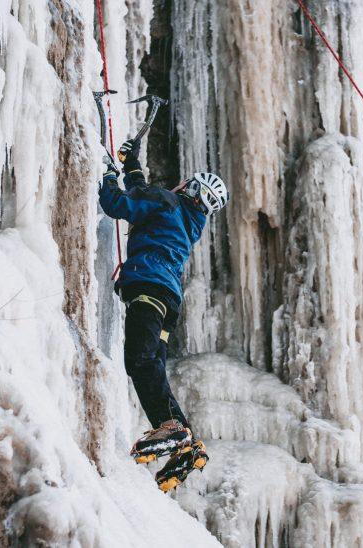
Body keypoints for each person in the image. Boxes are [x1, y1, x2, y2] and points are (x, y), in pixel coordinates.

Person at [98, 135, 229, 492]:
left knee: (139, 361)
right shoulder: (188, 220)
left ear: (190, 188)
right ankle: (183, 440)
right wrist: (131, 164)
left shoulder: (167, 201)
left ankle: (171, 429)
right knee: (152, 363)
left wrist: (108, 174)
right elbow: (143, 197)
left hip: (147, 287)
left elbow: (117, 203)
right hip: (168, 301)